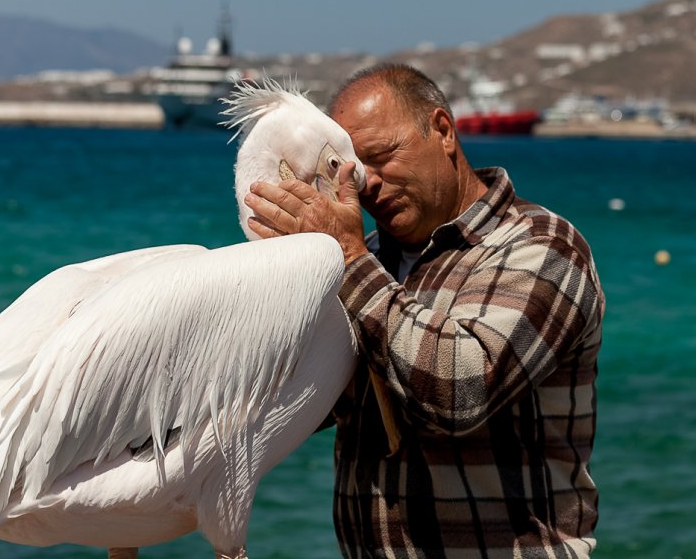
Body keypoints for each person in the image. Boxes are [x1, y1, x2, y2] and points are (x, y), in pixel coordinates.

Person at [244, 63, 604, 558]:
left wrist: (347, 259)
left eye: (382, 156)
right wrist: (283, 277)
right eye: (352, 169)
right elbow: (308, 401)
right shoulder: (369, 263)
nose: (366, 184)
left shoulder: (543, 248)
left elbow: (459, 393)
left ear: (442, 130)